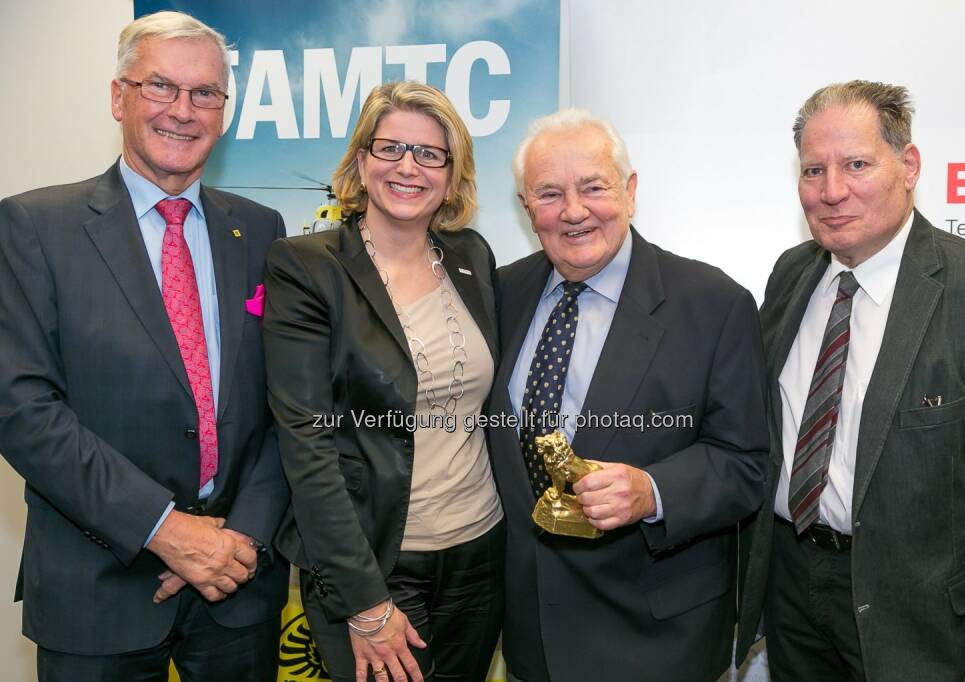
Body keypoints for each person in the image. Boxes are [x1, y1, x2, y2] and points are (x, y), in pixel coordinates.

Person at [0, 10, 290, 682]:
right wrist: (164, 529)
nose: (183, 111)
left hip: (237, 583)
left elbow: (287, 401)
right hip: (98, 584)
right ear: (117, 96)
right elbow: (21, 409)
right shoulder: (34, 227)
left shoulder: (261, 228)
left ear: (224, 110)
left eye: (205, 94)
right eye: (160, 86)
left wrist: (241, 537)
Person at [736, 80, 965, 681]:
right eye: (814, 170)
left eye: (856, 165)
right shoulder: (791, 275)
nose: (832, 191)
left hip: (916, 620)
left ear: (909, 165)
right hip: (791, 589)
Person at [488, 108, 770, 682]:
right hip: (530, 637)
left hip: (659, 641)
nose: (573, 211)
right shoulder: (498, 294)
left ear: (630, 190)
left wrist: (652, 491)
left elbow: (747, 464)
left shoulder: (713, 304)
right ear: (525, 208)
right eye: (549, 193)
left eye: (593, 187)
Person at [263, 81, 504, 682]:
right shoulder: (307, 267)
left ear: (452, 174)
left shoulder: (472, 256)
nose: (408, 167)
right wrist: (364, 601)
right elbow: (307, 447)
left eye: (429, 154)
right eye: (391, 147)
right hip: (375, 565)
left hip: (481, 552)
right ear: (362, 159)